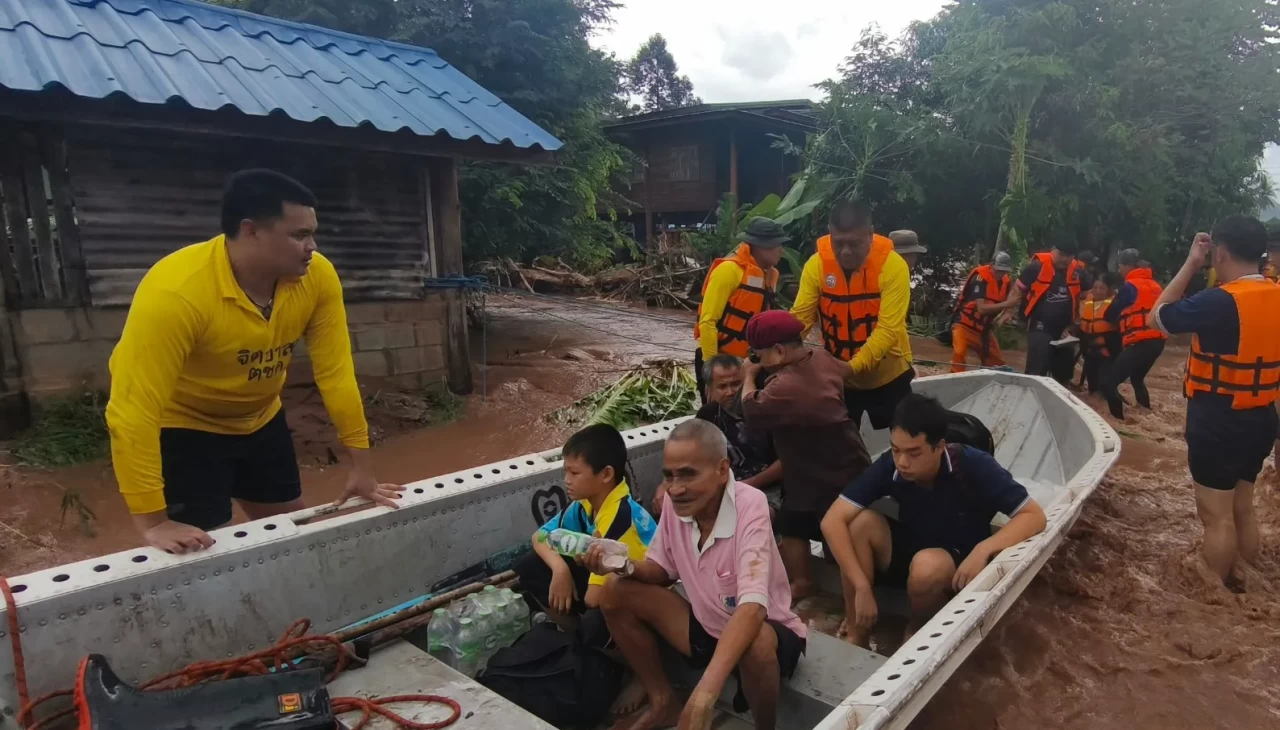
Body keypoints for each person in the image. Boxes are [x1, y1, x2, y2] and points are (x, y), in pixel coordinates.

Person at [106, 169, 401, 554]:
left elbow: (336, 373)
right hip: (185, 429)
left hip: (260, 420)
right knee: (198, 552)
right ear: (251, 231)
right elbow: (132, 410)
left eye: (312, 233)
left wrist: (363, 469)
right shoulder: (176, 292)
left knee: (291, 536)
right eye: (299, 235)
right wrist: (153, 521)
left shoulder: (317, 277)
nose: (312, 246)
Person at [588, 420, 807, 730]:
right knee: (613, 589)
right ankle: (663, 700)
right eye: (669, 475)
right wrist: (621, 563)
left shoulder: (750, 506)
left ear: (721, 470)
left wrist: (704, 693)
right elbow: (662, 571)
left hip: (762, 630)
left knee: (755, 641)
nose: (675, 488)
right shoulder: (676, 506)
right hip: (706, 623)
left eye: (688, 474)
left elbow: (753, 607)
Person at [820, 394, 1046, 648]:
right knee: (859, 524)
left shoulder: (973, 465)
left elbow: (1033, 516)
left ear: (939, 447)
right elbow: (832, 521)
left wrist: (985, 549)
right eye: (896, 450)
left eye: (914, 453)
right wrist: (862, 586)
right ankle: (857, 629)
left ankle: (916, 627)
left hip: (957, 561)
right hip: (912, 547)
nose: (902, 462)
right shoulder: (891, 465)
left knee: (926, 567)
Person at [1148, 217, 1280, 584]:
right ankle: (1249, 581)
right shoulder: (1276, 295)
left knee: (1216, 517)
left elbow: (1156, 318)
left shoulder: (1218, 302)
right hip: (1261, 420)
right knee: (1243, 508)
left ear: (1219, 252)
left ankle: (1216, 595)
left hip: (1219, 422)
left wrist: (1191, 263)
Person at [738, 311, 872, 601]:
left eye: (759, 355)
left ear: (778, 351)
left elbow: (751, 410)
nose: (758, 361)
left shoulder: (782, 387)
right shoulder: (822, 357)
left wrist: (749, 375)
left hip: (829, 473)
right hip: (839, 460)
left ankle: (851, 599)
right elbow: (845, 371)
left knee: (837, 537)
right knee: (791, 521)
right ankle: (804, 582)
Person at [792, 201, 913, 430]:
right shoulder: (816, 265)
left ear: (870, 234)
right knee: (838, 444)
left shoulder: (894, 266)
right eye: (838, 243)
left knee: (904, 438)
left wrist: (851, 367)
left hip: (888, 376)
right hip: (840, 378)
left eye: (854, 243)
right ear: (830, 234)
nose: (846, 251)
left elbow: (888, 329)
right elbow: (801, 318)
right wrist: (776, 348)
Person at [515, 424, 656, 618]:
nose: (567, 480)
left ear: (606, 474)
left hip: (646, 596)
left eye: (575, 473)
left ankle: (583, 640)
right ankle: (568, 631)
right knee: (530, 564)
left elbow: (594, 599)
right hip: (608, 580)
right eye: (566, 472)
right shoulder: (583, 504)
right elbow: (539, 537)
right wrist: (560, 570)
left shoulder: (620, 518)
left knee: (595, 618)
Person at [693, 217, 786, 404]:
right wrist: (713, 368)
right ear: (760, 246)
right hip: (718, 359)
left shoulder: (771, 275)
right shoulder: (729, 271)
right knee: (715, 415)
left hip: (748, 363)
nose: (780, 250)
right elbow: (708, 322)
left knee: (747, 417)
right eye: (777, 245)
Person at [994, 235, 1093, 384]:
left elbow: (1088, 296)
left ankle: (1060, 395)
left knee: (1063, 373)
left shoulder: (1078, 272)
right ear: (1053, 250)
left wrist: (1078, 323)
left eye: (1069, 256)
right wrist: (1008, 310)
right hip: (1040, 325)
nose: (1065, 259)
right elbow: (1018, 290)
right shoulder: (1036, 267)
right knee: (1037, 368)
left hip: (1066, 328)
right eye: (1062, 254)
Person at [690, 354, 781, 497]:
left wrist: (748, 485)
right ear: (709, 390)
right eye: (722, 386)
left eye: (735, 384)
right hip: (722, 487)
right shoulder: (708, 415)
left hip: (765, 489)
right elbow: (689, 455)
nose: (730, 392)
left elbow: (786, 461)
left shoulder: (763, 411)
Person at [1101, 250, 1167, 419]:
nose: (1119, 270)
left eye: (1120, 266)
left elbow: (1110, 314)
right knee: (1137, 378)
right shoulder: (1155, 285)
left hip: (1140, 342)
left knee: (1108, 384)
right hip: (1158, 342)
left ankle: (1118, 422)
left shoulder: (1129, 287)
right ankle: (1147, 416)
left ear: (1128, 266)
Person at [949, 251, 1013, 373]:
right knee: (959, 353)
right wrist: (1007, 305)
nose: (1001, 274)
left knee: (997, 363)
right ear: (991, 265)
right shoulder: (980, 278)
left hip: (984, 329)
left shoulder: (1007, 282)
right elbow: (981, 308)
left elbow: (1011, 303)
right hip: (964, 325)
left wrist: (1007, 313)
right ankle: (955, 379)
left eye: (1004, 271)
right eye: (998, 270)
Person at [1076, 273, 1121, 395]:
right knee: (1093, 389)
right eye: (1095, 288)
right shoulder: (1087, 302)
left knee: (1105, 386)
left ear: (1109, 289)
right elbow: (1081, 325)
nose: (1097, 291)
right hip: (1089, 349)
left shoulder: (1116, 305)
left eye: (1102, 288)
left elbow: (1119, 332)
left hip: (1107, 350)